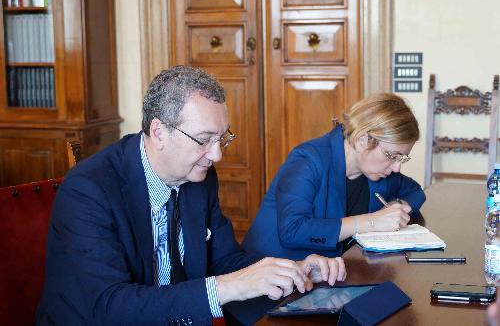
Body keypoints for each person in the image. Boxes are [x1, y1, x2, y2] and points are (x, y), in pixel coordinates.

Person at [35, 66, 346, 326]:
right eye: (203, 140)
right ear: (158, 132)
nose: (216, 155)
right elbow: (109, 306)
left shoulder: (199, 175)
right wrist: (228, 287)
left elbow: (226, 260)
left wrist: (291, 269)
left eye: (222, 138)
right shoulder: (89, 190)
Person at [242, 93, 426, 260]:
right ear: (363, 141)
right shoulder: (308, 160)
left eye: (402, 158)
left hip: (331, 272)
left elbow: (416, 192)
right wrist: (372, 221)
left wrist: (398, 209)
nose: (396, 167)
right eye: (392, 156)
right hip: (273, 275)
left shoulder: (380, 172)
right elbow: (293, 231)